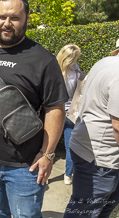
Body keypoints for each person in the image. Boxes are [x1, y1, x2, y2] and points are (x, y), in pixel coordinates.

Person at [0, 0, 68, 217]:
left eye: (14, 18)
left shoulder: (43, 60)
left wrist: (47, 154)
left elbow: (55, 109)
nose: (6, 23)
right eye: (1, 16)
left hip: (25, 166)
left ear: (26, 19)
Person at [63, 48, 119, 217]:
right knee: (84, 211)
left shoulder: (104, 62)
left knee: (94, 208)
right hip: (101, 157)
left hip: (89, 149)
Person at [56, 44, 83, 185]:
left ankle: (39, 173)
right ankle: (67, 176)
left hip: (54, 112)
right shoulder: (78, 73)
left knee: (46, 144)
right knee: (69, 147)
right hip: (71, 113)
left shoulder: (54, 70)